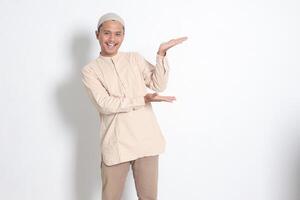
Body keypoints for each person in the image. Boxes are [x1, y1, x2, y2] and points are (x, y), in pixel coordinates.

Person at [81, 12, 187, 200]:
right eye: (107, 33)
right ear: (97, 34)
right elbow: (105, 104)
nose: (112, 39)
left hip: (146, 141)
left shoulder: (134, 59)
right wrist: (142, 99)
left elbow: (158, 85)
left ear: (123, 35)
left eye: (117, 34)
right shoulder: (90, 70)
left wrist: (161, 54)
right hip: (116, 144)